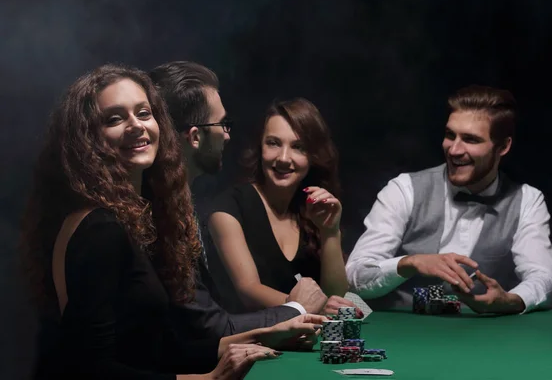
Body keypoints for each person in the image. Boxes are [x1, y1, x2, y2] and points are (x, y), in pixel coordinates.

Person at [19, 64, 324, 379]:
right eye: (114, 118)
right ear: (87, 138)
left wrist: (260, 336)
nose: (136, 125)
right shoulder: (100, 228)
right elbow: (92, 370)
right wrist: (209, 379)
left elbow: (151, 346)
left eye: (144, 113)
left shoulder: (129, 217)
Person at [149, 61, 329, 337]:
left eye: (298, 147)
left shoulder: (176, 205)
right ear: (195, 137)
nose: (227, 134)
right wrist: (297, 309)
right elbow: (206, 327)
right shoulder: (159, 215)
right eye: (223, 124)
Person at [346, 85, 552, 314]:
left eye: (471, 139)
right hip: (400, 333)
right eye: (450, 135)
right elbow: (356, 276)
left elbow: (544, 280)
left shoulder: (527, 200)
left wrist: (512, 300)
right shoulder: (404, 189)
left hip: (483, 337)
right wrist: (410, 262)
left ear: (503, 147)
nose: (454, 150)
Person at [206, 97, 354, 315]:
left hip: (300, 340)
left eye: (298, 147)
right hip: (243, 342)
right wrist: (311, 307)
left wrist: (330, 232)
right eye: (273, 143)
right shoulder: (228, 208)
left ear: (313, 157)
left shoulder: (312, 209)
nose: (284, 158)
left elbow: (335, 295)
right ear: (260, 147)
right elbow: (248, 291)